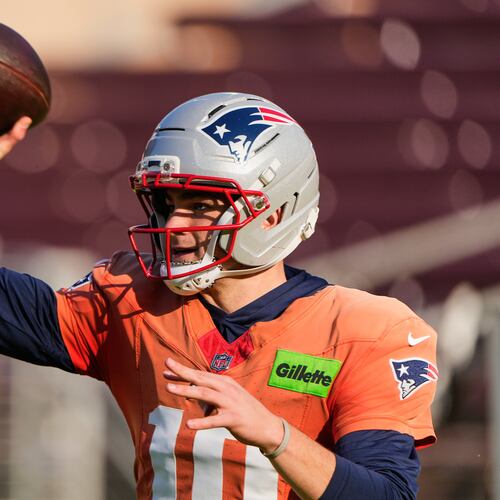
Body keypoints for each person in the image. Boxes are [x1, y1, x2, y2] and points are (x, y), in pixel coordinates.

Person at [0, 93, 438, 499]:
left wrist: (275, 435)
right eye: (168, 204)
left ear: (275, 214)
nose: (173, 227)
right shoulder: (131, 299)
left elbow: (389, 494)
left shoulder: (366, 332)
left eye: (202, 206)